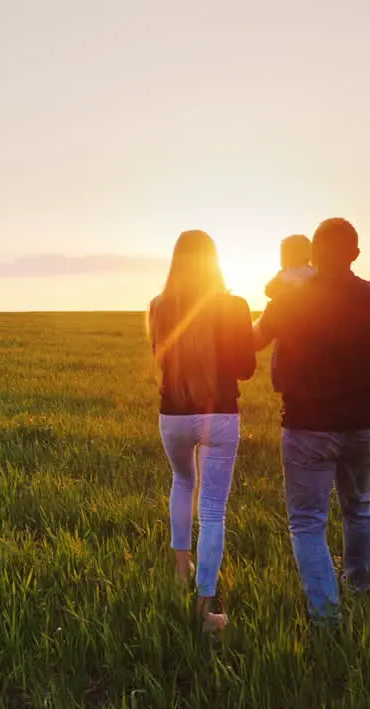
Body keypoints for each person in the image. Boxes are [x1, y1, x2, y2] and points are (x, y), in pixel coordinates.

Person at [253, 218, 370, 625]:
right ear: (355, 253)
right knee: (359, 507)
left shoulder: (292, 300)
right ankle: (360, 588)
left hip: (308, 426)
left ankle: (326, 616)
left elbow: (254, 339)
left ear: (313, 254)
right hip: (364, 422)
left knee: (307, 522)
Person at [147, 230, 258, 633]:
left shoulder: (159, 307)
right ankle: (204, 609)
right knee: (212, 510)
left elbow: (161, 360)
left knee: (181, 481)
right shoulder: (233, 306)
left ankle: (181, 570)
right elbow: (246, 368)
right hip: (220, 416)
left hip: (173, 415)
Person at [264, 234, 315, 393]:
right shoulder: (316, 272)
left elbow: (268, 290)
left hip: (289, 333)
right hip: (313, 333)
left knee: (286, 368)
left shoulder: (284, 275)